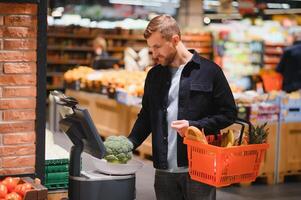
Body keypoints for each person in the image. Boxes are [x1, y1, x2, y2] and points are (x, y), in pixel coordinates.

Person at [127, 15, 237, 200]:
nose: (154, 54)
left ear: (175, 40)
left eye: (157, 47)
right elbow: (147, 116)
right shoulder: (154, 76)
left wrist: (193, 126)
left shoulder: (210, 72)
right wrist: (129, 142)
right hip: (164, 172)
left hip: (200, 169)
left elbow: (229, 114)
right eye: (151, 48)